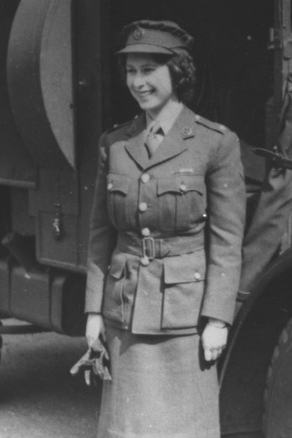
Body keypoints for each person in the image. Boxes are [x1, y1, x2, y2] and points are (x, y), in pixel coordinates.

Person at [84, 20, 246, 438]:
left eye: (148, 70)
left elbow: (227, 240)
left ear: (178, 72)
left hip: (184, 315)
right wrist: (93, 312)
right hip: (127, 311)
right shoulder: (115, 143)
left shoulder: (215, 143)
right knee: (126, 428)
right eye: (130, 71)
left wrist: (218, 319)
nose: (137, 82)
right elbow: (101, 233)